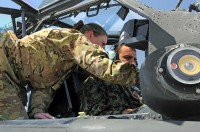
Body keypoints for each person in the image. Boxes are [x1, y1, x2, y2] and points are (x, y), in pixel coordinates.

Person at [8, 21, 140, 119]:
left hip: (11, 80)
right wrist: (143, 78)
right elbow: (101, 66)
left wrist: (36, 111)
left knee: (20, 122)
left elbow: (45, 87)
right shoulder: (76, 39)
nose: (103, 49)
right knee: (15, 124)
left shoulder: (65, 64)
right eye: (102, 43)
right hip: (4, 62)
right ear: (90, 35)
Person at [79, 44, 143, 116]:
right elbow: (91, 115)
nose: (133, 63)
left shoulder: (132, 84)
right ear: (114, 59)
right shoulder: (95, 82)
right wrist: (122, 112)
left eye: (135, 59)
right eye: (128, 57)